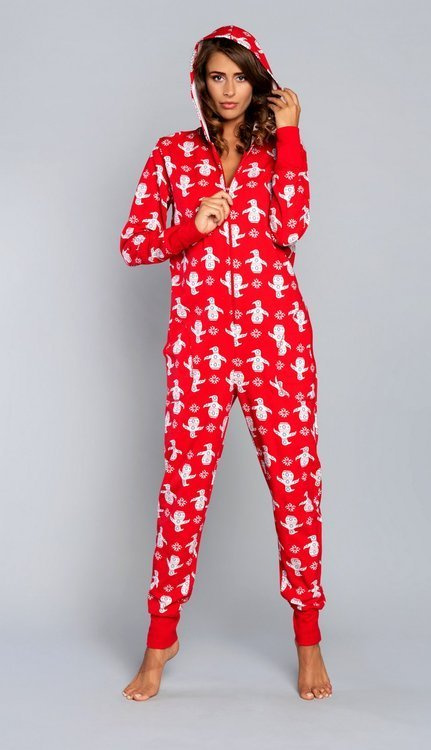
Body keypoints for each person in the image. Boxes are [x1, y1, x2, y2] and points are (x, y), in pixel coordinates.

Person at [120, 24, 332, 701]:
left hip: (276, 343)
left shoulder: (276, 151)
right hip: (199, 348)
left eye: (240, 76)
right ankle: (159, 641)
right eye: (217, 76)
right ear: (201, 84)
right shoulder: (172, 154)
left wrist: (291, 134)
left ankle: (308, 640)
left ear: (257, 81)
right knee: (182, 492)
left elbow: (291, 227)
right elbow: (133, 243)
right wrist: (193, 227)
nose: (229, 89)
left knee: (296, 489)